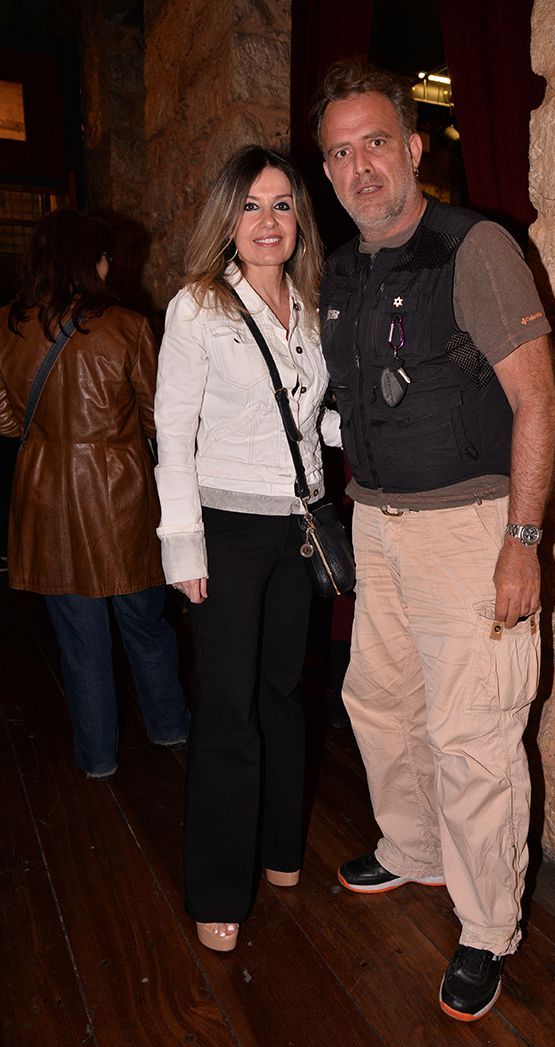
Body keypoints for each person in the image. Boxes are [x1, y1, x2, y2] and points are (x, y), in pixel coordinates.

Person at [312, 60, 555, 1022]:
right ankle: (412, 849)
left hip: (468, 529)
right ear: (327, 171)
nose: (361, 166)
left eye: (376, 142)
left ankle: (487, 927)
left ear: (415, 148)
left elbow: (537, 402)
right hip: (377, 523)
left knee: (474, 737)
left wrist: (522, 540)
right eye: (341, 153)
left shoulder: (476, 247)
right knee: (379, 704)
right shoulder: (342, 270)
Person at [154, 145, 341, 953]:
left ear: (300, 220)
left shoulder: (312, 307)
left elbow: (309, 418)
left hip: (297, 524)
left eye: (282, 205)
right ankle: (218, 888)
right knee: (229, 709)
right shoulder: (199, 307)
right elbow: (172, 432)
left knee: (282, 696)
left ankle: (278, 847)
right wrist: (183, 546)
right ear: (227, 220)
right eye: (252, 206)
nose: (269, 221)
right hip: (226, 530)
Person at [0, 209, 189, 779]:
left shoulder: (6, 325)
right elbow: (158, 420)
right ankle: (170, 726)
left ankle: (98, 758)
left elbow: (8, 423)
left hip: (45, 498)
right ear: (94, 261)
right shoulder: (128, 327)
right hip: (121, 499)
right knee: (146, 626)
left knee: (79, 643)